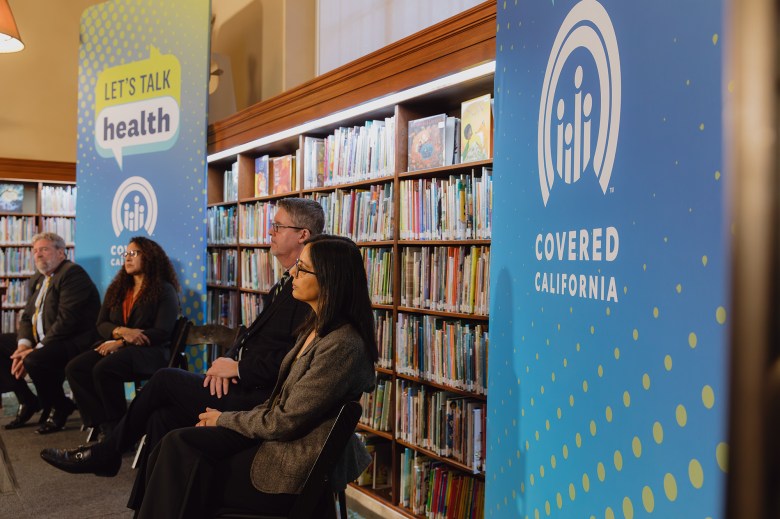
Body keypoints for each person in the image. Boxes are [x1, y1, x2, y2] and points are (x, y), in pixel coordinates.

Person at [40, 198, 325, 482]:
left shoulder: (309, 291)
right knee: (160, 417)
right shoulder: (285, 283)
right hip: (243, 381)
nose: (270, 232)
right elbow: (252, 336)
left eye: (277, 226)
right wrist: (227, 361)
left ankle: (108, 453)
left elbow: (296, 360)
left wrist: (238, 369)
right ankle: (151, 503)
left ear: (302, 234)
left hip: (261, 398)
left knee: (164, 379)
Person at [133, 235, 377, 517]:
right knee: (177, 442)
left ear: (331, 279)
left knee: (185, 460)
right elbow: (279, 406)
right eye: (297, 265)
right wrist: (225, 421)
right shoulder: (316, 328)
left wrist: (224, 419)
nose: (293, 273)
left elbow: (285, 421)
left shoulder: (342, 345)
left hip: (289, 465)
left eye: (304, 268)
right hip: (277, 442)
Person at [64, 237, 180, 440]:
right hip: (118, 347)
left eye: (134, 253)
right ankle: (101, 422)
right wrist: (121, 332)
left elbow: (162, 331)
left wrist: (120, 342)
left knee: (104, 368)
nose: (127, 258)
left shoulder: (164, 290)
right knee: (75, 368)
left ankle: (119, 431)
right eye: (125, 254)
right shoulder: (117, 289)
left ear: (150, 257)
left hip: (150, 352)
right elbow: (101, 324)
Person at [0, 232, 101, 433]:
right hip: (46, 339)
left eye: (44, 249)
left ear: (61, 252)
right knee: (4, 347)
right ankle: (28, 400)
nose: (38, 255)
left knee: (35, 360)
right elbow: (27, 317)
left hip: (73, 341)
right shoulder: (38, 278)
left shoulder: (72, 274)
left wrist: (36, 349)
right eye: (35, 250)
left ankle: (61, 405)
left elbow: (67, 321)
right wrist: (23, 346)